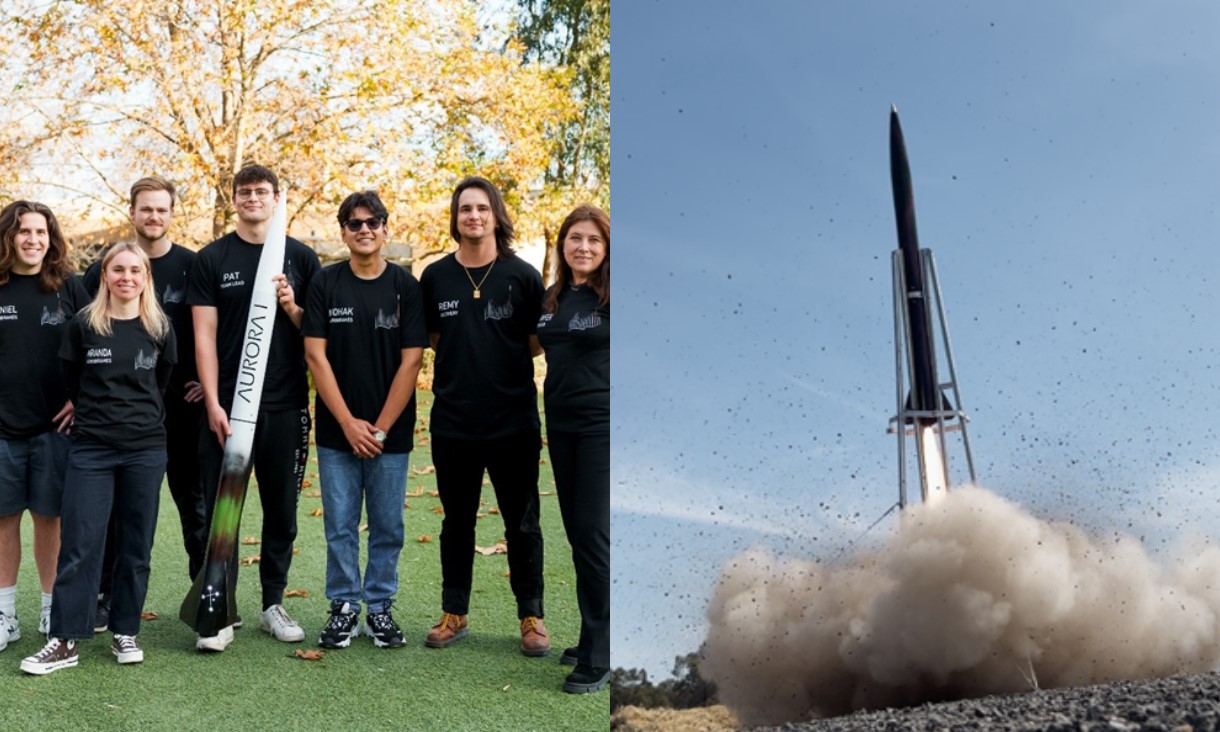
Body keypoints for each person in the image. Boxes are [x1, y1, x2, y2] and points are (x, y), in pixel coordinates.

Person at [20, 243, 175, 674]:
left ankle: (126, 629)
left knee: (136, 544)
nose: (127, 277)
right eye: (118, 270)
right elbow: (73, 380)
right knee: (81, 542)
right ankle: (64, 640)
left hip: (145, 450)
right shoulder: (83, 326)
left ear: (146, 277)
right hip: (91, 449)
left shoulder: (160, 327)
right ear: (104, 275)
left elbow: (160, 383)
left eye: (135, 270)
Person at [187, 164, 320, 651]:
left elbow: (317, 335)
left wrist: (291, 306)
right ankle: (219, 609)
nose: (253, 199)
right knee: (223, 507)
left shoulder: (301, 258)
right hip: (229, 410)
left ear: (276, 198)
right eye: (244, 192)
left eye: (262, 192)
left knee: (281, 508)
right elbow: (202, 334)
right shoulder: (213, 258)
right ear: (234, 199)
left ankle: (272, 604)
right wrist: (214, 402)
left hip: (285, 405)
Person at [420, 176, 548, 654]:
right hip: (454, 422)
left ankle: (531, 618)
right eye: (464, 209)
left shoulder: (523, 275)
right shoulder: (435, 277)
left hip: (513, 422)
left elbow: (535, 342)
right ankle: (454, 613)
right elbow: (435, 339)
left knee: (523, 522)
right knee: (458, 521)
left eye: (481, 208)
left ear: (496, 215)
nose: (472, 216)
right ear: (455, 219)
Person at [302, 190, 427, 649]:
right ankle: (343, 607)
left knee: (388, 525)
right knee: (339, 525)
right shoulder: (325, 283)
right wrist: (350, 424)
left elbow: (411, 362)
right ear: (343, 233)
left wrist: (378, 428)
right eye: (354, 223)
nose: (364, 229)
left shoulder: (405, 287)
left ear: (385, 229)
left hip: (388, 435)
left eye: (373, 222)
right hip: (337, 432)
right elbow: (316, 356)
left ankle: (379, 608)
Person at [83, 177, 204, 632]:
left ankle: (205, 600)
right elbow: (83, 336)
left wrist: (209, 387)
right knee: (117, 512)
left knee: (195, 508)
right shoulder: (108, 267)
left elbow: (213, 332)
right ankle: (107, 597)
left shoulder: (195, 265)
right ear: (132, 212)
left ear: (172, 213)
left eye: (161, 209)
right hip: (122, 418)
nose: (154, 216)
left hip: (184, 413)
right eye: (145, 209)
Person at [0, 201, 88, 652]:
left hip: (56, 429)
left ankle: (52, 607)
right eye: (23, 231)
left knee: (50, 519)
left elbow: (97, 343)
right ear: (9, 237)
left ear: (51, 238)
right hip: (3, 429)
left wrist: (78, 397)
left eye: (41, 231)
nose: (33, 239)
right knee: (3, 519)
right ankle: (5, 613)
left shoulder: (69, 287)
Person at [536, 205, 611, 693]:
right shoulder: (554, 298)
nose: (583, 246)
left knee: (593, 537)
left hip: (603, 427)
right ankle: (591, 636)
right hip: (560, 427)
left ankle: (603, 655)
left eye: (594, 240)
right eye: (575, 238)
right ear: (563, 245)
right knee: (579, 536)